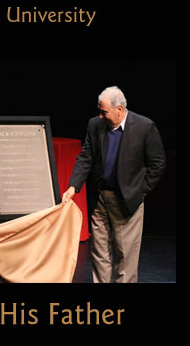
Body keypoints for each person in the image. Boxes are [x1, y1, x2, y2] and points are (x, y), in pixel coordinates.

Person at [62, 86, 165, 283]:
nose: (100, 116)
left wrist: (140, 191)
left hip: (127, 200)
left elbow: (157, 163)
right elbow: (86, 157)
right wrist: (73, 186)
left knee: (125, 255)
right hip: (100, 198)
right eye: (99, 111)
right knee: (99, 252)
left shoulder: (144, 126)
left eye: (104, 112)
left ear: (119, 109)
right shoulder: (95, 124)